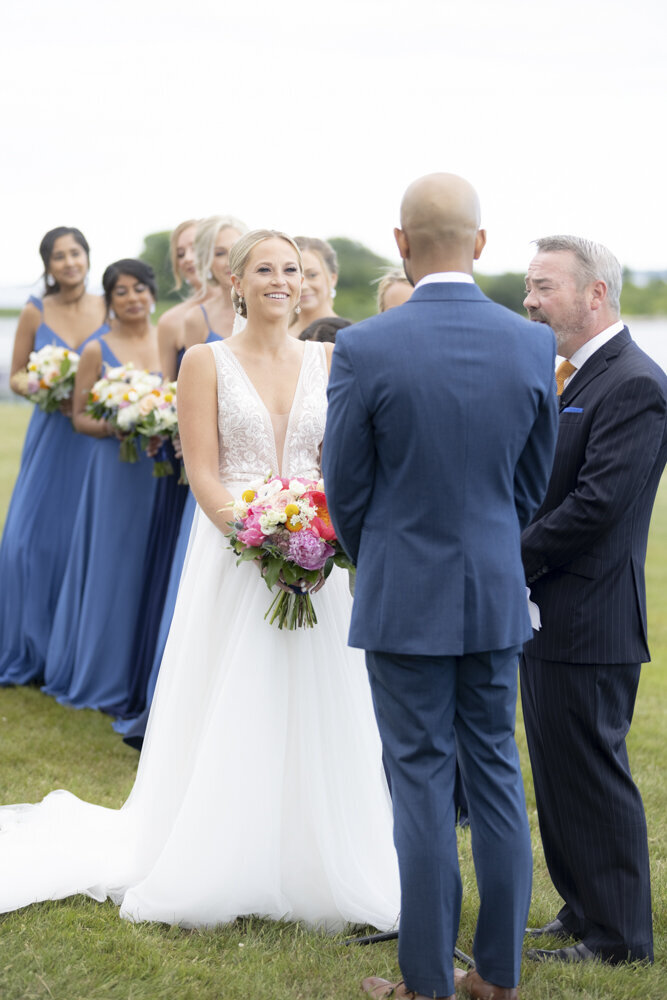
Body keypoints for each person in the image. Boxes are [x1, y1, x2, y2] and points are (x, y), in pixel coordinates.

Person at [0, 230, 400, 935]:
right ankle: (220, 853)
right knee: (235, 696)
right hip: (234, 552)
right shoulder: (205, 363)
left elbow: (344, 463)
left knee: (324, 701)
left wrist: (319, 536)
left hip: (319, 553)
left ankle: (324, 854)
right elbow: (204, 473)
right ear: (236, 283)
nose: (283, 280)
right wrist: (260, 537)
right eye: (265, 269)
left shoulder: (334, 358)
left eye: (293, 269)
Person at [322, 173, 559, 1000]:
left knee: (418, 780)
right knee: (496, 775)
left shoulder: (365, 346)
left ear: (399, 244)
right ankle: (496, 977)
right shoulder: (531, 345)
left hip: (400, 593)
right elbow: (532, 482)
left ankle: (425, 981)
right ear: (482, 245)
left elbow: (344, 488)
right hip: (494, 590)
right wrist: (488, 542)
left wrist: (380, 553)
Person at [520, 236, 667, 966]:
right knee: (558, 775)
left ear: (594, 294)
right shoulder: (568, 376)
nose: (529, 298)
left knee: (593, 777)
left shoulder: (633, 382)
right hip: (547, 615)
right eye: (529, 283)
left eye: (543, 285)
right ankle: (582, 912)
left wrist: (504, 556)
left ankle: (620, 937)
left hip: (589, 615)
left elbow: (596, 506)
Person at [41, 260, 160, 712]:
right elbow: (80, 416)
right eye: (121, 291)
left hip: (159, 472)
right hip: (113, 472)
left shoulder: (167, 338)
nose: (132, 298)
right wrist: (121, 422)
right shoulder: (97, 349)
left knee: (151, 565)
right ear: (109, 299)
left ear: (152, 292)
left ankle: (142, 667)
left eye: (140, 288)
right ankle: (100, 671)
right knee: (112, 566)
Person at [0, 227, 107, 686]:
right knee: (29, 540)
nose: (68, 262)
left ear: (87, 257)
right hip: (50, 435)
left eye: (75, 253)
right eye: (58, 256)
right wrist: (47, 383)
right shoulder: (34, 310)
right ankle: (28, 642)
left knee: (84, 539)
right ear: (48, 266)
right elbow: (16, 376)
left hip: (94, 439)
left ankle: (75, 647)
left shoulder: (108, 305)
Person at [183, 215, 248, 347]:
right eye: (219, 253)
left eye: (236, 251)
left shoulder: (272, 307)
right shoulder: (196, 319)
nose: (230, 260)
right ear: (206, 261)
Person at [289, 236, 340, 338]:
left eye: (312, 275)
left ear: (332, 279)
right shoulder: (277, 336)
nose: (303, 286)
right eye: (294, 275)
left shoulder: (349, 336)